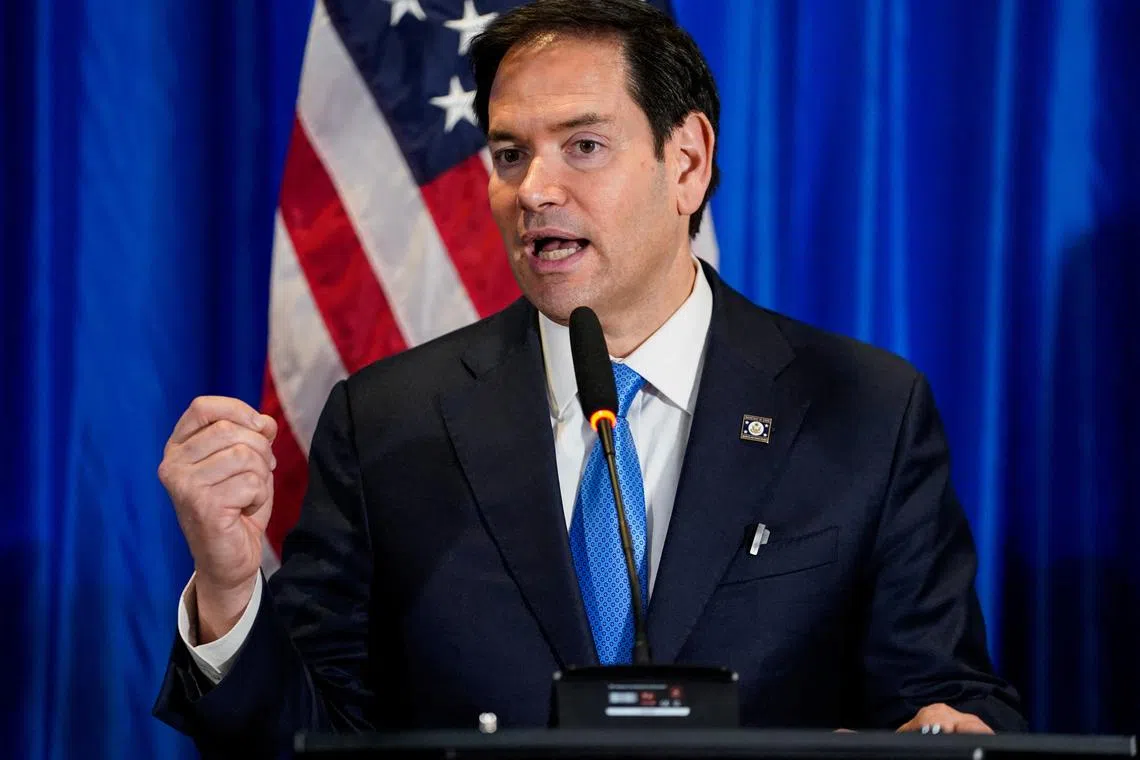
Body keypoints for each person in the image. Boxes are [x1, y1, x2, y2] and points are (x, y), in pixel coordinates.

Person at [153, 0, 1025, 753]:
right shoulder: (387, 423)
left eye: (583, 145)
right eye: (507, 154)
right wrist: (232, 595)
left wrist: (949, 736)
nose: (533, 189)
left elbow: (944, 699)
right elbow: (311, 740)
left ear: (686, 163)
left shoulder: (865, 410)